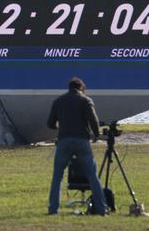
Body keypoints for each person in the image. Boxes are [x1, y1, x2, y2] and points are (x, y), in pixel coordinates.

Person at [47, 77, 107, 215]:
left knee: (57, 176)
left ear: (69, 88)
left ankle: (53, 209)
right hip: (82, 141)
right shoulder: (86, 100)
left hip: (64, 141)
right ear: (81, 88)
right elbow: (93, 120)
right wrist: (96, 135)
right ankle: (101, 208)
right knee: (92, 175)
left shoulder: (59, 101)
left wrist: (60, 127)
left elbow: (50, 123)